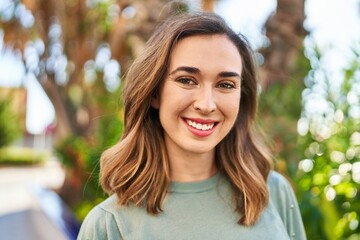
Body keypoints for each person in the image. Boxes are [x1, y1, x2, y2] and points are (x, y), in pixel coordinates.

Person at [77, 11, 306, 240]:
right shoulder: (108, 224)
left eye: (225, 84)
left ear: (241, 96)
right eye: (187, 80)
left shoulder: (272, 192)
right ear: (154, 93)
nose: (206, 105)